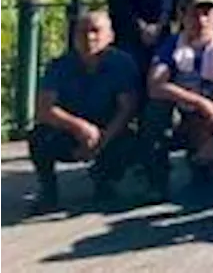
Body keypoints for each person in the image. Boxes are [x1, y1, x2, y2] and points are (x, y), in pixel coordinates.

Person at [27, 12, 138, 214]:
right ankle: (48, 191)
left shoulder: (123, 64)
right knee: (39, 136)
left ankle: (105, 181)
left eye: (96, 31)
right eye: (82, 32)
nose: (89, 38)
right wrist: (79, 127)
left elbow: (126, 109)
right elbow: (44, 109)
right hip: (70, 130)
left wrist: (101, 142)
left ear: (110, 35)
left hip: (109, 128)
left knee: (131, 143)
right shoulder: (59, 65)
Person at [139, 0, 213, 197]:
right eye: (194, 14)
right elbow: (155, 86)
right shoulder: (171, 46)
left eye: (207, 14)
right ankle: (157, 180)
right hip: (180, 112)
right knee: (154, 112)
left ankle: (202, 167)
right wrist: (200, 102)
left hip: (209, 118)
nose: (201, 20)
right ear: (183, 16)